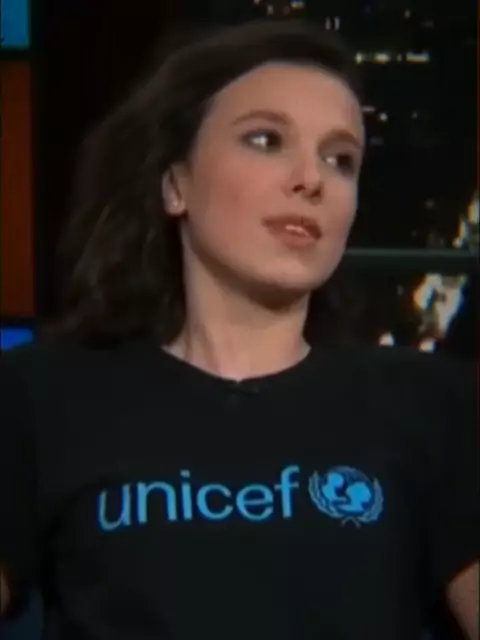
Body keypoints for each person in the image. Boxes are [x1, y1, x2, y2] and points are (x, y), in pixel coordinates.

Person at [0, 19, 477, 640]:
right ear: (176, 184)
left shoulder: (434, 405)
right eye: (265, 140)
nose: (311, 179)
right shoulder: (41, 396)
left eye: (340, 160)